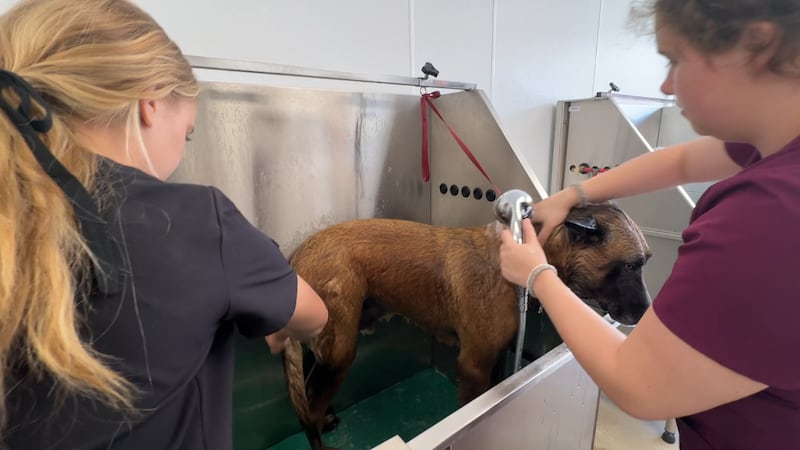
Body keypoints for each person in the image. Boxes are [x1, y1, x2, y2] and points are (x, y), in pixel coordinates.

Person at [0, 0, 328, 449]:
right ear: (150, 102)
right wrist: (281, 320)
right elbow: (314, 314)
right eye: (188, 133)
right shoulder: (192, 220)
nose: (179, 157)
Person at [499, 1, 800, 449]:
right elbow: (679, 160)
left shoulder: (771, 217)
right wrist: (571, 195)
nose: (665, 83)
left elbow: (638, 385)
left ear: (757, 46)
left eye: (675, 60)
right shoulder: (775, 142)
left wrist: (538, 276)